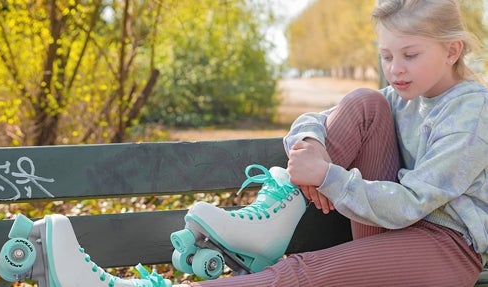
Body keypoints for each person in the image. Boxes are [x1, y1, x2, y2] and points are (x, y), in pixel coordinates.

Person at [173, 0, 488, 286]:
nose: (395, 69)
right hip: (387, 223)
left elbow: (411, 202)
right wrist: (311, 143)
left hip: (444, 246)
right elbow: (314, 120)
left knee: (304, 272)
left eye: (410, 55)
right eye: (386, 56)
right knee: (364, 102)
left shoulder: (471, 113)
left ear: (452, 51)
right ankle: (271, 223)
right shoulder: (402, 97)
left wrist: (326, 176)